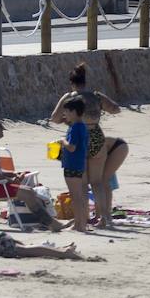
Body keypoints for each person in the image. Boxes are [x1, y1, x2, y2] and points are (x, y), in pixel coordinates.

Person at [51, 62, 127, 228]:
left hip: (80, 138)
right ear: (85, 81)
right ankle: (105, 218)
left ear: (72, 82)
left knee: (83, 183)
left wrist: (67, 119)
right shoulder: (96, 96)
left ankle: (83, 219)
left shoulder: (69, 97)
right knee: (98, 182)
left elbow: (54, 118)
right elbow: (115, 109)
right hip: (97, 136)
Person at [0, 115, 63, 231]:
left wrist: (12, 174)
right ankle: (52, 224)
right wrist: (11, 181)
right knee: (28, 193)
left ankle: (48, 222)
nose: (2, 129)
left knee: (29, 191)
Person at [55, 97, 92, 233]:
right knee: (79, 196)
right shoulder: (82, 127)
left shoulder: (76, 128)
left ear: (75, 112)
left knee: (75, 196)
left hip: (72, 165)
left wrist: (62, 141)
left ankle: (79, 225)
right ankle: (81, 223)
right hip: (79, 164)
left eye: (67, 112)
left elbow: (71, 147)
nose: (65, 115)